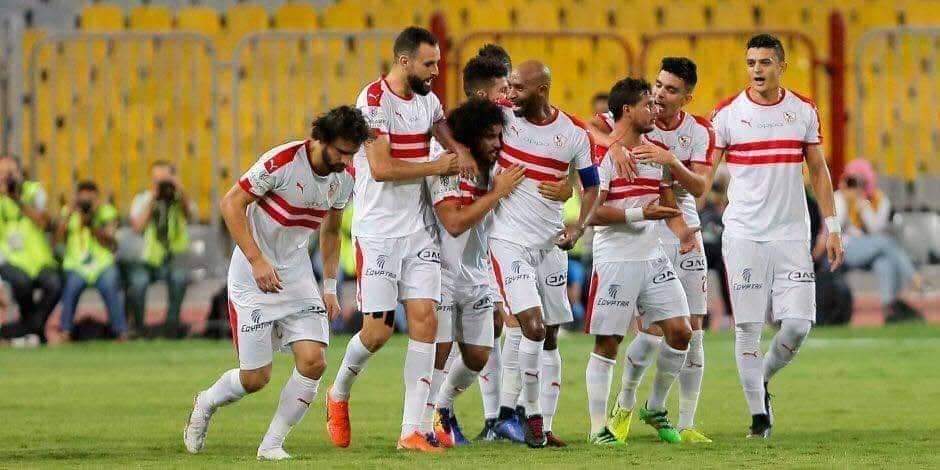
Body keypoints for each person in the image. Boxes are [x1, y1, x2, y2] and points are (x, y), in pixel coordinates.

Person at [183, 106, 367, 461]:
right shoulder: (282, 161)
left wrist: (330, 287)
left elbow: (331, 231)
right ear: (322, 139)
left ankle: (271, 445)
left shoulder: (345, 177)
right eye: (342, 151)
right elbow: (231, 203)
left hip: (295, 274)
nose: (347, 161)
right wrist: (257, 261)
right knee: (255, 379)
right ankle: (205, 402)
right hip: (252, 274)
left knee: (314, 361)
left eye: (352, 153)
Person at [325, 26, 473, 454]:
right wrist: (437, 166)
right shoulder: (373, 101)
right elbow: (382, 168)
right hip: (379, 234)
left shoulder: (428, 100)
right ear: (404, 61)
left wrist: (460, 150)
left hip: (419, 230)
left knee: (426, 320)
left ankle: (413, 430)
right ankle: (338, 392)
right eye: (429, 63)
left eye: (438, 63)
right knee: (376, 332)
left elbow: (442, 129)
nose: (436, 71)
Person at [710, 34, 844, 438]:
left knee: (798, 325)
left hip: (791, 234)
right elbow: (703, 173)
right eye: (751, 62)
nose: (757, 69)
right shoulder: (727, 114)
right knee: (747, 327)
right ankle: (758, 416)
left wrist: (833, 226)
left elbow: (818, 170)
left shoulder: (803, 110)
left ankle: (762, 379)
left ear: (781, 66)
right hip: (744, 234)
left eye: (765, 62)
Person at [488, 60, 599, 448]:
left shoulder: (573, 134)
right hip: (508, 241)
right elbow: (459, 130)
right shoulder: (501, 116)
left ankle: (540, 424)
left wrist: (578, 226)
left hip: (551, 244)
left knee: (550, 334)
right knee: (531, 327)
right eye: (509, 86)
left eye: (518, 88)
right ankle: (526, 415)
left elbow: (592, 187)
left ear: (542, 90)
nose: (511, 93)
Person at [607, 57, 718, 443]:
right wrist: (613, 145)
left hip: (685, 231)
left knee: (694, 331)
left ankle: (684, 422)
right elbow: (590, 126)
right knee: (653, 330)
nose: (659, 94)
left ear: (687, 97)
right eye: (658, 85)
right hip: (646, 232)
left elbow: (700, 188)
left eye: (671, 89)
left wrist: (670, 160)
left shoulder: (699, 131)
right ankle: (624, 405)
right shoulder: (636, 117)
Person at [582, 77, 693, 446]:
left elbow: (665, 203)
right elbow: (592, 213)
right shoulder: (602, 156)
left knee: (681, 332)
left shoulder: (656, 152)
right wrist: (640, 214)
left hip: (652, 256)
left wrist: (682, 231)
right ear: (627, 110)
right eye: (648, 104)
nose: (655, 110)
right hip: (616, 258)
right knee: (608, 342)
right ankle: (598, 428)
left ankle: (654, 407)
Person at [427, 99, 524, 447]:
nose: (497, 144)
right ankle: (423, 424)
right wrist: (496, 195)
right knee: (439, 352)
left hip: (476, 274)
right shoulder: (448, 169)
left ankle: (442, 407)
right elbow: (453, 223)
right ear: (469, 139)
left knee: (478, 355)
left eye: (499, 136)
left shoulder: (495, 172)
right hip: (440, 273)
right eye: (489, 137)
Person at [834, 158, 923, 322]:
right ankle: (913, 277)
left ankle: (889, 308)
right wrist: (846, 202)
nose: (855, 186)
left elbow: (875, 230)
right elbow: (835, 228)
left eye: (859, 182)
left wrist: (863, 207)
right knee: (886, 242)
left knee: (884, 262)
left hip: (870, 248)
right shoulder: (839, 198)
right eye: (852, 181)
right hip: (845, 249)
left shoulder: (877, 200)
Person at [126, 160, 193, 338]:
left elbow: (190, 215)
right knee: (138, 283)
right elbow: (137, 227)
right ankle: (139, 328)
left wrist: (179, 189)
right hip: (147, 260)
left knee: (179, 278)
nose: (162, 184)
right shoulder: (143, 198)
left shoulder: (178, 199)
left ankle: (171, 327)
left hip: (173, 258)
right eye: (158, 180)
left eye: (165, 180)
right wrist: (153, 199)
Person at [55, 181, 127, 341]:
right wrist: (69, 214)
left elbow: (112, 243)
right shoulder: (69, 212)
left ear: (97, 199)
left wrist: (93, 222)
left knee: (110, 283)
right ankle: (65, 331)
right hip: (76, 265)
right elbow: (58, 240)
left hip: (102, 265)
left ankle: (120, 331)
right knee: (71, 286)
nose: (86, 204)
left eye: (90, 200)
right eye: (83, 200)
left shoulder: (106, 212)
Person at [0, 155, 60, 344]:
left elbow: (44, 222)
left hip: (38, 259)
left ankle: (26, 329)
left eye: (10, 172)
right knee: (22, 283)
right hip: (9, 258)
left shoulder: (34, 191)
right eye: (2, 173)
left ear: (20, 173)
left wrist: (17, 199)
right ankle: (34, 330)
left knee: (55, 284)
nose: (6, 177)